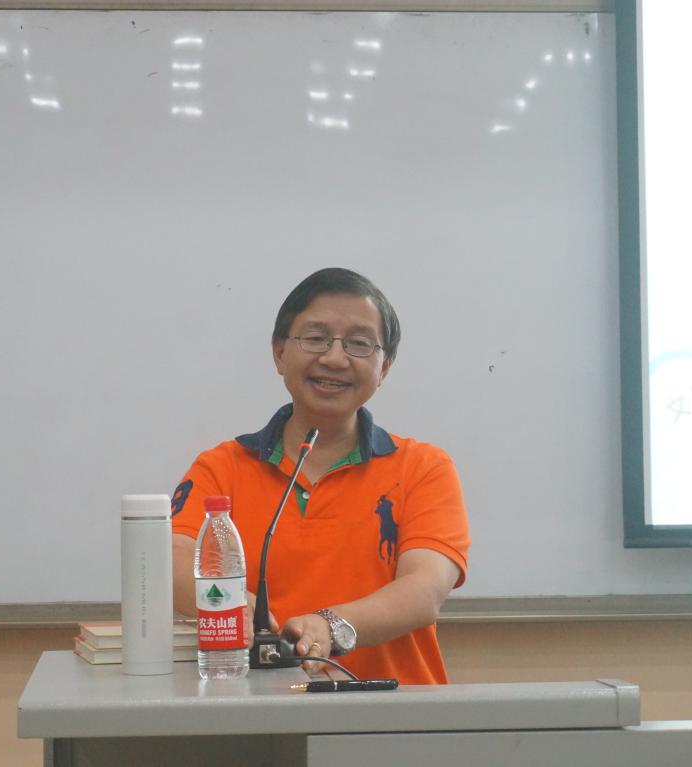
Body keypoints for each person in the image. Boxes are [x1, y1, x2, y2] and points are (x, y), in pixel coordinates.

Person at [170, 267, 469, 684]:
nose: (334, 358)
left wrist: (331, 626)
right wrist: (234, 603)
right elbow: (170, 560)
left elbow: (425, 590)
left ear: (383, 367)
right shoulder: (223, 467)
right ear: (279, 353)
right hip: (257, 709)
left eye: (359, 344)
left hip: (394, 710)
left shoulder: (423, 468)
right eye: (315, 338)